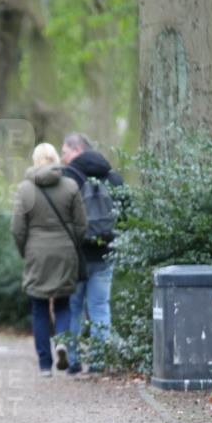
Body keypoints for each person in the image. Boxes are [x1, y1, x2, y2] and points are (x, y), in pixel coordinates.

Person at [12, 143, 87, 376]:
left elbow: (17, 228)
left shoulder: (25, 189)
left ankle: (45, 365)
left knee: (39, 306)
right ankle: (62, 342)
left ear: (35, 160)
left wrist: (25, 250)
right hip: (65, 251)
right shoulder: (71, 185)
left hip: (36, 251)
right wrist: (71, 243)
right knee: (64, 303)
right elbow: (82, 224)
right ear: (56, 158)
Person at [60, 132, 125, 375]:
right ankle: (98, 362)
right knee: (100, 307)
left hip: (76, 255)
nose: (62, 156)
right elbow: (128, 212)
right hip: (106, 252)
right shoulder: (113, 177)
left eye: (65, 151)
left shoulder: (68, 179)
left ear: (77, 150)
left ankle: (74, 362)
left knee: (74, 307)